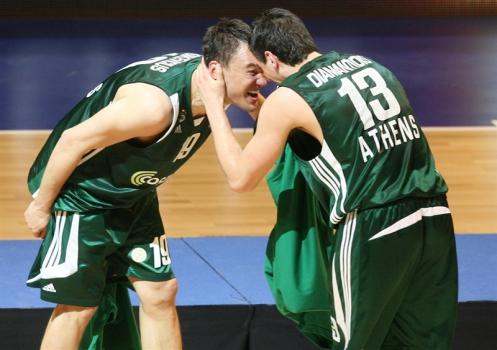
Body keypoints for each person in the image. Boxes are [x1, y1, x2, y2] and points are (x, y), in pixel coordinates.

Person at [195, 8, 458, 350]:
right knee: (422, 342)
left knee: (353, 343)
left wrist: (216, 106)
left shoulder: (289, 97)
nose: (263, 81)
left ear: (271, 58)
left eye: (261, 69)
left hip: (374, 225)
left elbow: (240, 178)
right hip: (435, 216)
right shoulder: (372, 66)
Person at [24, 18, 266, 350]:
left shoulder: (213, 85)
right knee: (78, 307)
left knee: (160, 291)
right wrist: (41, 206)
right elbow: (71, 141)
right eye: (252, 70)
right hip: (84, 195)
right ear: (215, 70)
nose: (263, 79)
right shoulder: (152, 109)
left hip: (134, 194)